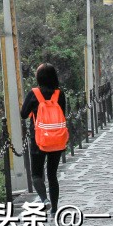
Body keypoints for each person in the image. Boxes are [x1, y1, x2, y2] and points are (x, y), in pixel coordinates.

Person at [20, 63, 67, 212]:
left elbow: (23, 114)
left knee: (36, 174)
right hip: (57, 139)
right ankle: (54, 208)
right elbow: (63, 113)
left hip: (38, 139)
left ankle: (44, 200)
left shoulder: (34, 93)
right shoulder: (60, 94)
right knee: (52, 175)